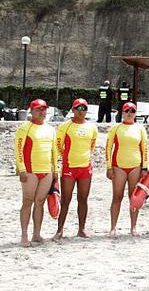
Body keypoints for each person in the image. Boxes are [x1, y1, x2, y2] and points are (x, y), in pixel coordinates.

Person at [14, 99, 58, 247]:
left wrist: (55, 170)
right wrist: (21, 169)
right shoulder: (24, 128)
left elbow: (54, 151)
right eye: (38, 109)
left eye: (44, 109)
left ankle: (37, 234)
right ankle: (24, 235)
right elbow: (18, 150)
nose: (42, 112)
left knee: (40, 202)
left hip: (46, 171)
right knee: (27, 202)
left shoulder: (51, 129)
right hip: (30, 171)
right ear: (31, 111)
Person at [53, 98, 98, 241]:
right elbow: (58, 146)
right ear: (72, 110)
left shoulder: (92, 127)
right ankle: (59, 230)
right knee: (66, 200)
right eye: (78, 108)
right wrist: (66, 158)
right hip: (69, 167)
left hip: (85, 167)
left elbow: (92, 145)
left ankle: (81, 229)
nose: (81, 111)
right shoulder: (64, 126)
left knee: (83, 199)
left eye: (84, 108)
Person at [105, 102, 148, 237]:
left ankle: (133, 227)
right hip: (119, 166)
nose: (129, 113)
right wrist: (109, 167)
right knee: (117, 197)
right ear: (122, 113)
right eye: (127, 111)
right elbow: (108, 147)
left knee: (134, 197)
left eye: (132, 111)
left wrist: (144, 167)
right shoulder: (116, 128)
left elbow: (145, 148)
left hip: (135, 166)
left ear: (135, 114)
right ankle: (113, 227)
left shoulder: (140, 128)